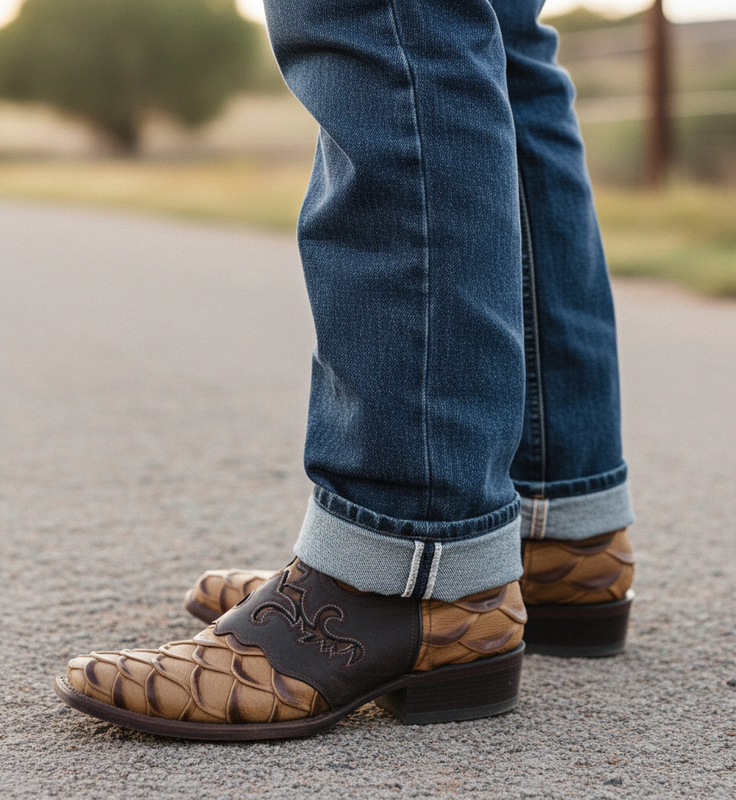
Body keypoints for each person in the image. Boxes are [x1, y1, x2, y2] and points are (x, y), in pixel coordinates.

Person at [55, 0, 635, 740]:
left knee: (384, 14)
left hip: (419, 563)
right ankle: (545, 531)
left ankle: (411, 561)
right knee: (493, 33)